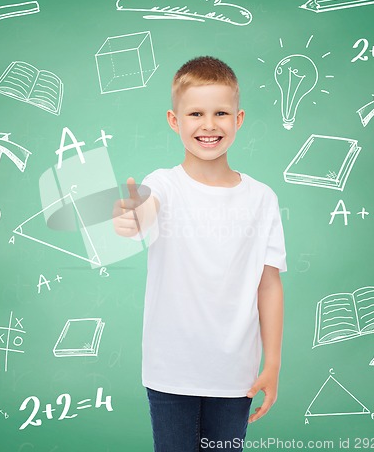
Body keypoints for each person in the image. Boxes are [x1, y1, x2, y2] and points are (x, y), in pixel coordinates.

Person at [113, 56, 287, 451]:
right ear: (176, 121)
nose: (209, 125)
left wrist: (273, 363)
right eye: (196, 113)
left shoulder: (262, 198)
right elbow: (145, 206)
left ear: (238, 119)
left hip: (236, 374)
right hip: (170, 371)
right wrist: (132, 217)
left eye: (220, 113)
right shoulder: (165, 184)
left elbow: (269, 285)